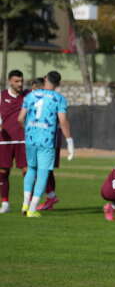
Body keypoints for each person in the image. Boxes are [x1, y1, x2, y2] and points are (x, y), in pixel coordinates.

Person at [18, 71, 73, 217]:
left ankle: (25, 204)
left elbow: (20, 118)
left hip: (30, 139)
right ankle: (32, 209)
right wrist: (69, 140)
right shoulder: (59, 99)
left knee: (31, 170)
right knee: (42, 173)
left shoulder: (31, 95)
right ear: (58, 84)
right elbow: (62, 121)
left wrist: (29, 129)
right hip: (47, 140)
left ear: (44, 79)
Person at [0, 70, 28, 214]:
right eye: (17, 81)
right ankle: (5, 203)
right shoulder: (2, 96)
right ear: (10, 81)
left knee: (26, 171)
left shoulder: (28, 96)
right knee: (3, 172)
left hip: (24, 139)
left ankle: (27, 203)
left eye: (21, 81)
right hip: (5, 141)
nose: (20, 84)